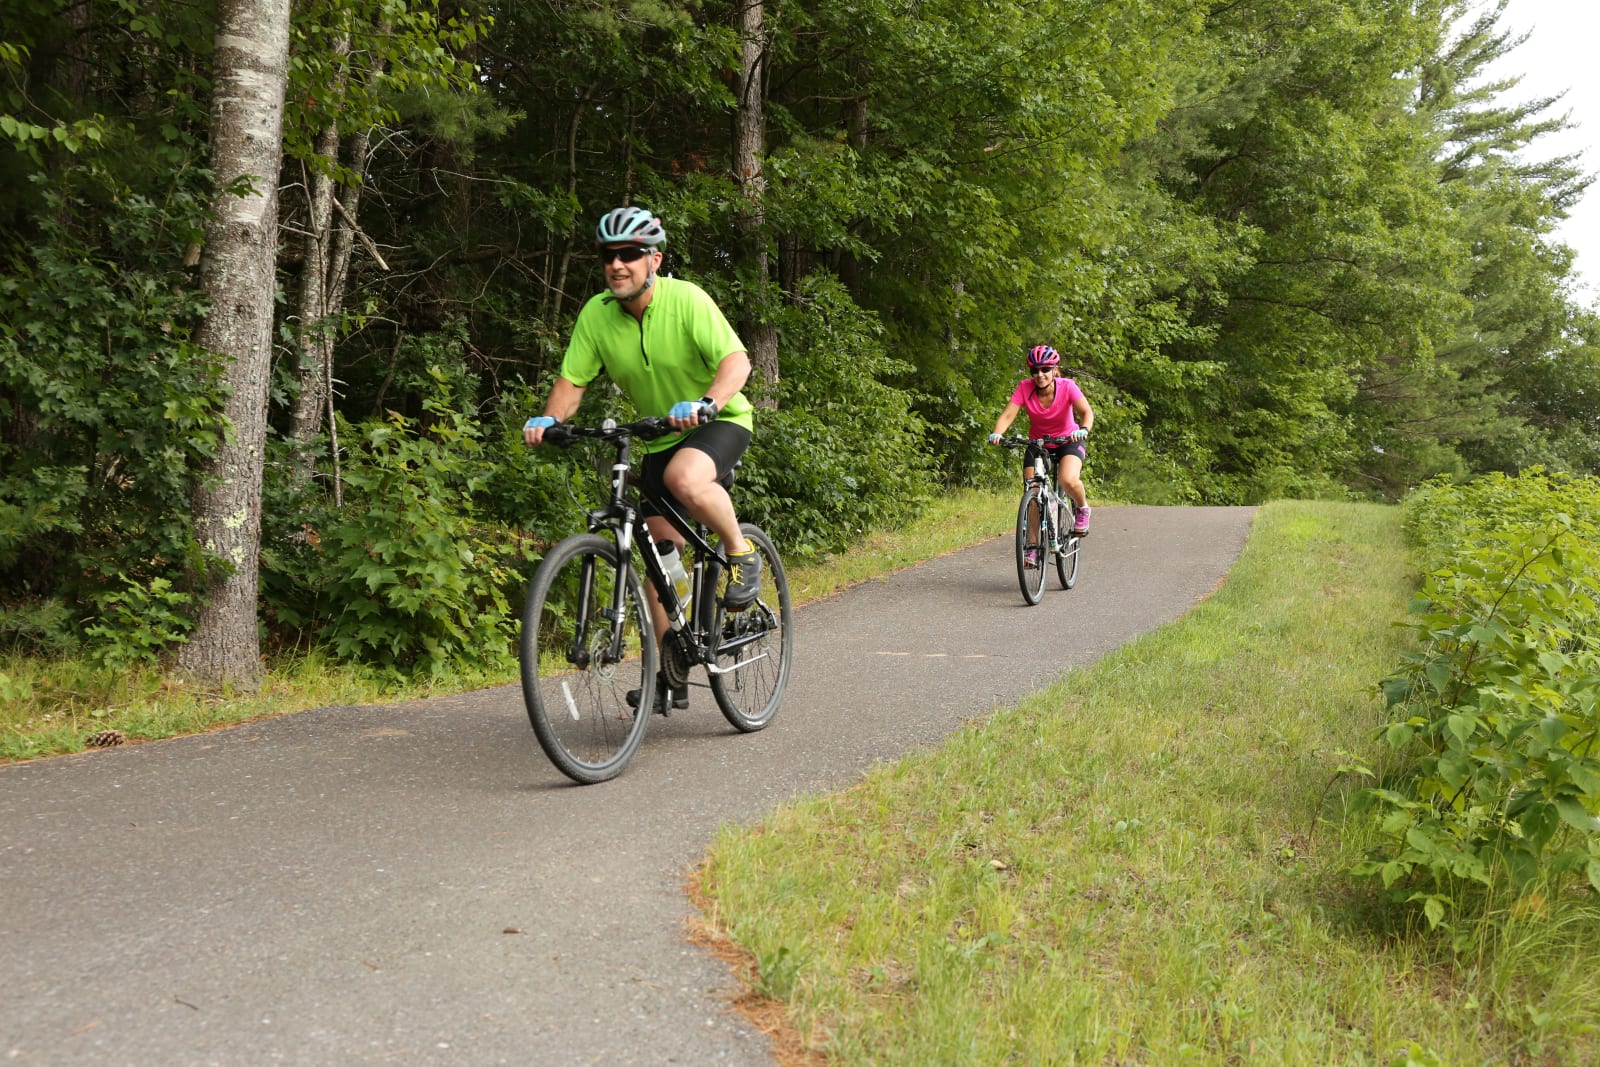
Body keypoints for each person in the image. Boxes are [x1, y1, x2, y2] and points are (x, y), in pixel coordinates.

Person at [523, 205, 762, 714]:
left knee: (684, 477)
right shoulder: (597, 314)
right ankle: (670, 669)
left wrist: (708, 404)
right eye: (609, 255)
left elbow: (736, 361)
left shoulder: (687, 300)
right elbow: (573, 382)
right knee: (657, 554)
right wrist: (549, 420)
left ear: (654, 259)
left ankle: (741, 552)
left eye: (629, 254)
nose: (617, 265)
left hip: (718, 421)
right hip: (656, 434)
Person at [987, 345, 1094, 565]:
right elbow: (1008, 415)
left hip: (1068, 441)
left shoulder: (1068, 386)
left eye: (1045, 369)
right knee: (1033, 493)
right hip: (1038, 443)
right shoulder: (1025, 388)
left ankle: (1082, 508)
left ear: (1055, 369)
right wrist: (997, 433)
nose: (1040, 375)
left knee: (1067, 480)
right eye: (1034, 370)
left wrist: (1083, 428)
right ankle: (1033, 547)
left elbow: (1086, 412)